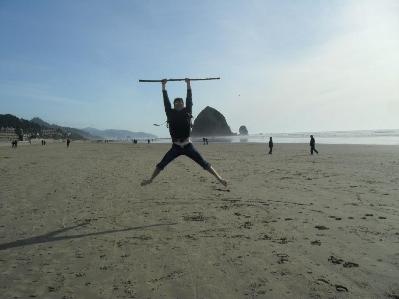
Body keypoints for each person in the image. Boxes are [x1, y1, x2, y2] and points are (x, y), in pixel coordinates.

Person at [141, 78, 227, 187]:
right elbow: (166, 101)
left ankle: (220, 179)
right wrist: (163, 87)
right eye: (176, 103)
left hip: (187, 145)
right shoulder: (170, 112)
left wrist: (188, 84)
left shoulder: (187, 111)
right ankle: (150, 179)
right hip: (176, 146)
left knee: (204, 163)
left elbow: (189, 99)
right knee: (162, 164)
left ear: (183, 104)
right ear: (174, 105)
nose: (178, 104)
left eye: (180, 103)